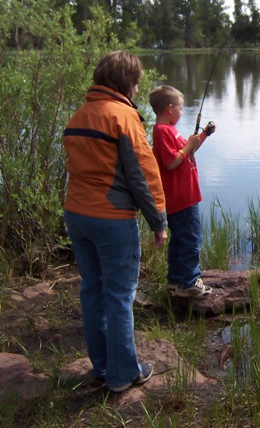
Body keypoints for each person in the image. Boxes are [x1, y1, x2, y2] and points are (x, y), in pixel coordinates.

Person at [63, 50, 168, 393]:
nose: (138, 89)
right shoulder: (123, 116)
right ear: (128, 83)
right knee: (120, 296)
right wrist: (158, 221)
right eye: (137, 83)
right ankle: (123, 375)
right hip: (111, 220)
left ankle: (103, 366)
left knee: (92, 290)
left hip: (76, 215)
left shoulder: (79, 114)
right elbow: (142, 175)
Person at [149, 85, 216, 298]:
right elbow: (171, 162)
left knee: (179, 240)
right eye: (180, 108)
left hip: (183, 197)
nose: (181, 111)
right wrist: (187, 146)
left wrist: (203, 134)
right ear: (169, 109)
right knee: (191, 239)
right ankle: (188, 282)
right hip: (182, 198)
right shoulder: (162, 131)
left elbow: (187, 151)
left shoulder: (168, 130)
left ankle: (175, 281)